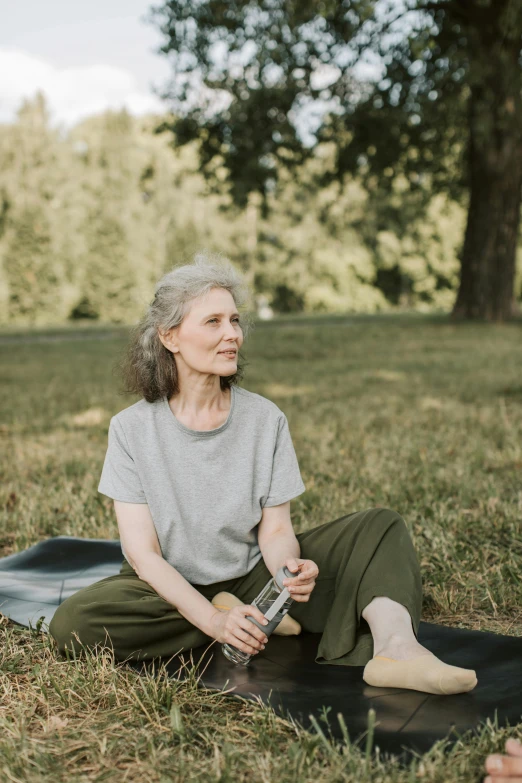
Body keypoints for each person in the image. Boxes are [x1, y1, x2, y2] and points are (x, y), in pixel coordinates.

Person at [49, 251, 477, 696]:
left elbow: (275, 530)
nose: (232, 334)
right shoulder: (130, 429)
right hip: (164, 588)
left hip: (252, 575)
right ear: (169, 336)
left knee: (381, 528)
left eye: (234, 321)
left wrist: (287, 570)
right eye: (213, 322)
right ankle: (247, 616)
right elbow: (143, 556)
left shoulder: (265, 419)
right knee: (73, 624)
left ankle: (398, 651)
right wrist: (214, 620)